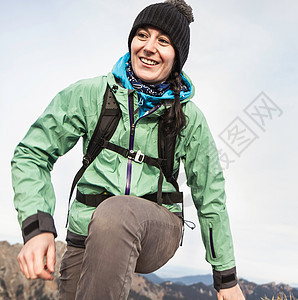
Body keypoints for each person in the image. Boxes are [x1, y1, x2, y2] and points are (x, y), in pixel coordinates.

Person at [11, 0, 245, 299]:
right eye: (142, 35)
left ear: (177, 57)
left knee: (117, 213)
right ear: (132, 40)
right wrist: (37, 226)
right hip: (86, 232)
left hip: (157, 229)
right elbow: (33, 153)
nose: (149, 47)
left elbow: (210, 193)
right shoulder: (90, 95)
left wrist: (226, 277)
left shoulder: (189, 118)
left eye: (163, 41)